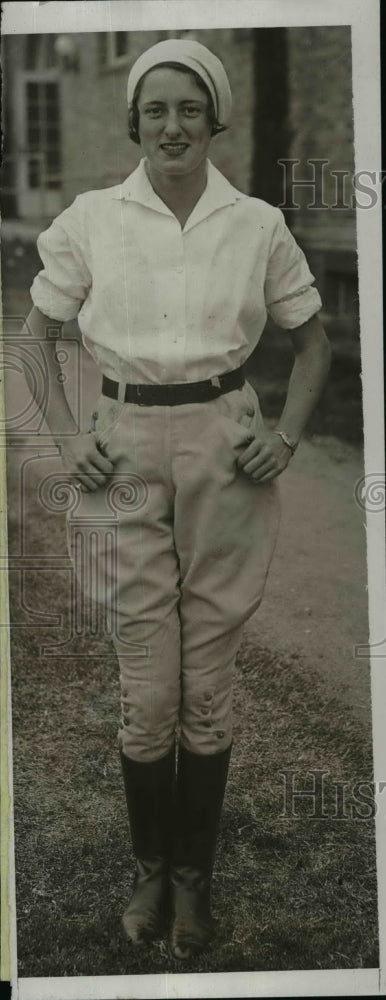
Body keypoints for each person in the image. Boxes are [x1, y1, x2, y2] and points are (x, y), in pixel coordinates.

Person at [26, 38, 331, 960]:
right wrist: (72, 435)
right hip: (121, 447)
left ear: (215, 120)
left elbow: (313, 345)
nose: (172, 126)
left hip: (223, 448)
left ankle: (195, 879)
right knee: (148, 686)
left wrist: (281, 437)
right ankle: (150, 866)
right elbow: (36, 339)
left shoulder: (257, 224)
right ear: (133, 121)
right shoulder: (90, 218)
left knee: (210, 684)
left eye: (189, 109)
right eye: (154, 109)